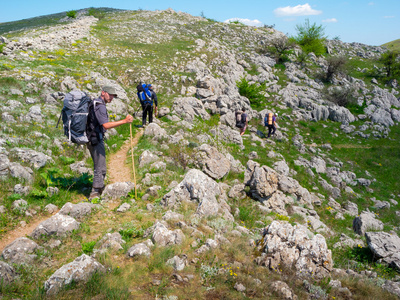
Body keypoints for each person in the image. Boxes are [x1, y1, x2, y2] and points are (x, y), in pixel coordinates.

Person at [87, 86, 133, 199]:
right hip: (95, 139)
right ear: (103, 93)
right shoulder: (100, 106)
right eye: (110, 94)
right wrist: (125, 121)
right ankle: (95, 192)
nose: (112, 97)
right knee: (99, 165)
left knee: (101, 165)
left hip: (93, 137)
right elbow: (106, 125)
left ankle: (100, 188)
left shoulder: (96, 103)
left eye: (113, 95)